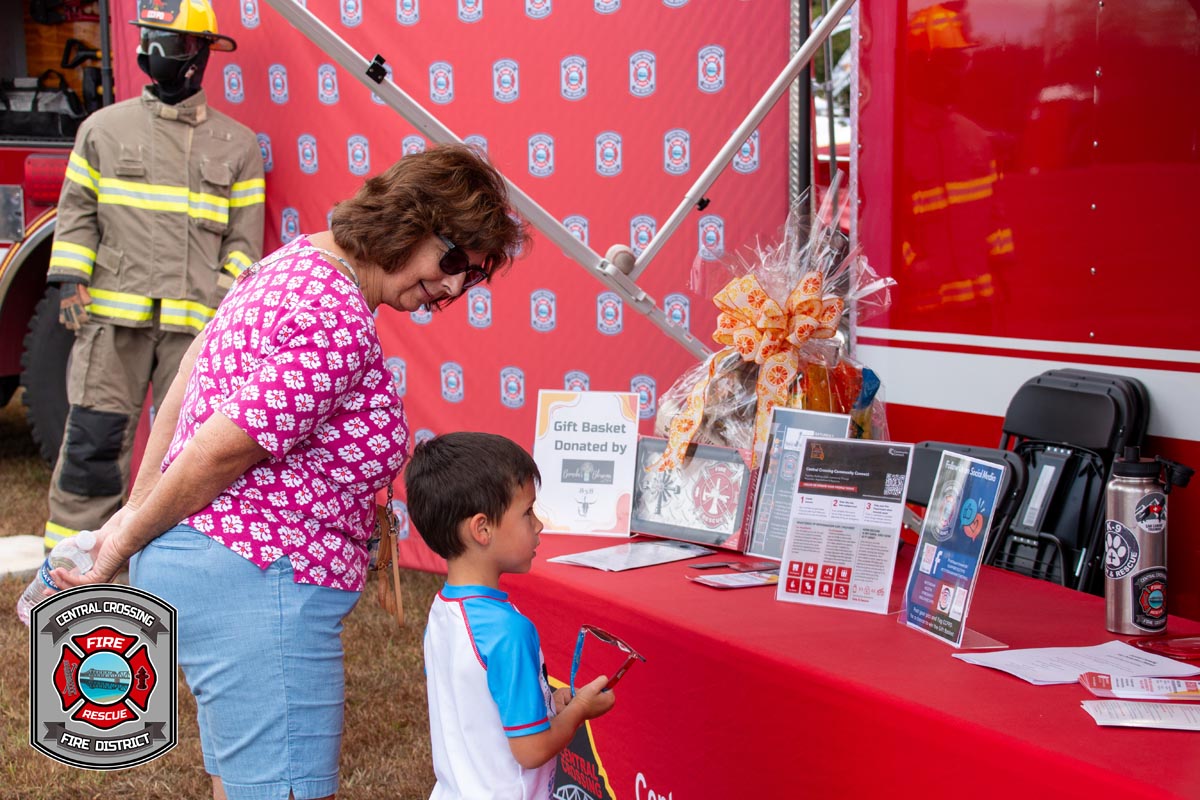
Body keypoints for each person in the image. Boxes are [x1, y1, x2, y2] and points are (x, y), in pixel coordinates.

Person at [54, 145, 529, 800]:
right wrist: (121, 544)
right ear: (411, 222)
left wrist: (138, 510)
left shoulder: (301, 261)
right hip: (258, 585)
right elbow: (221, 449)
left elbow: (195, 364)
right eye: (452, 261)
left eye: (470, 279)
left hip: (225, 575)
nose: (452, 287)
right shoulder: (338, 321)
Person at [43, 0, 265, 552]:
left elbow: (243, 243)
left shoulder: (237, 146)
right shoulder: (103, 130)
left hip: (194, 336)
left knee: (186, 458)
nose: (155, 52)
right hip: (111, 324)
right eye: (149, 38)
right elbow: (76, 216)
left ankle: (162, 562)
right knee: (92, 445)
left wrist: (220, 316)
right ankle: (66, 562)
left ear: (200, 54)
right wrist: (69, 283)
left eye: (171, 41)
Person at [404, 432, 616, 800]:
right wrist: (579, 709)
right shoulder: (509, 630)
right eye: (527, 512)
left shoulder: (443, 610)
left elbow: (480, 703)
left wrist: (551, 703)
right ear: (482, 529)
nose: (539, 524)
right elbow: (531, 750)